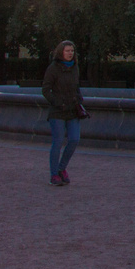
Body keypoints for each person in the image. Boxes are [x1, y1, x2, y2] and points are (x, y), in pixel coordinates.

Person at [41, 40, 86, 186]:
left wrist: (79, 99)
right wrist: (57, 102)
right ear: (61, 52)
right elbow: (45, 89)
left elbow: (76, 86)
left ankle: (62, 169)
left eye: (72, 51)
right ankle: (54, 174)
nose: (70, 53)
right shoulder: (53, 68)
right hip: (58, 111)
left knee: (74, 139)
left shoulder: (75, 68)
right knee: (58, 141)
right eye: (67, 51)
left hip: (72, 110)